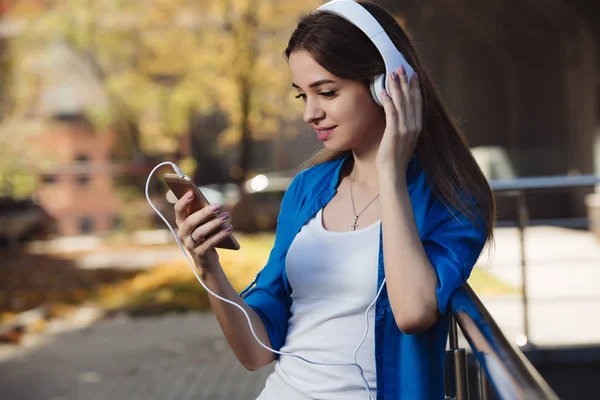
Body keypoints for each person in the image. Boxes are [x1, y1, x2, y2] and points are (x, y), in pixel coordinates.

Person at [173, 1, 496, 399]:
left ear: (388, 85)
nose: (311, 113)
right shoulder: (307, 189)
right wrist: (208, 269)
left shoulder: (454, 197)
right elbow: (256, 353)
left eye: (326, 92)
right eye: (301, 96)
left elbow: (413, 314)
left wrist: (390, 172)